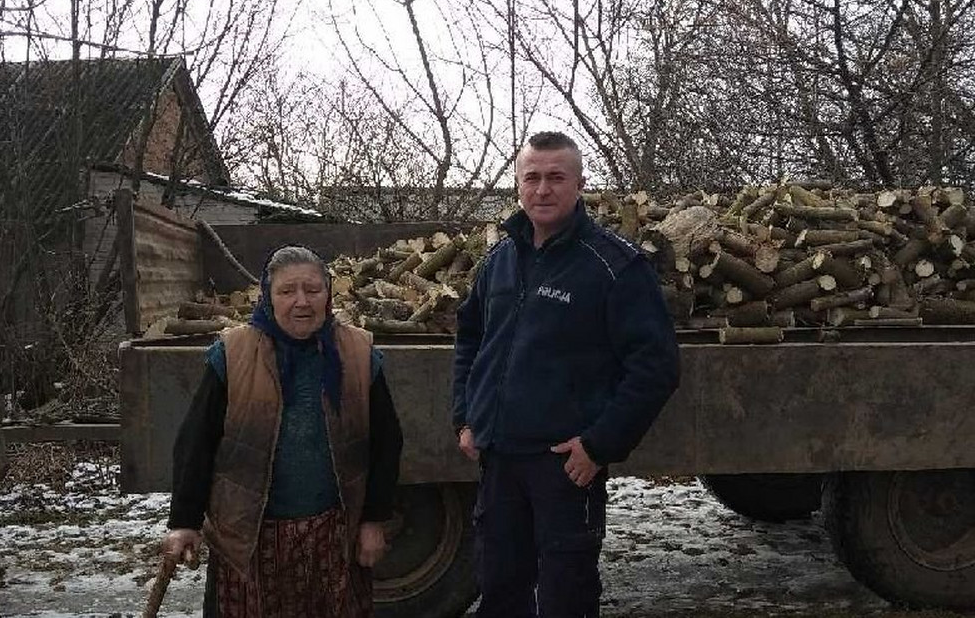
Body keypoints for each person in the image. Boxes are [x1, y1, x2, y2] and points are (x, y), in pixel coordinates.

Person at [452, 131, 681, 617]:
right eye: (531, 178)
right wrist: (466, 417)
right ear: (517, 185)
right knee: (499, 591)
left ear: (579, 183)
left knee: (566, 596)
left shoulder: (614, 266)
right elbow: (471, 340)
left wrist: (600, 445)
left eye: (556, 177)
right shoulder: (499, 260)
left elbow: (656, 366)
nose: (542, 189)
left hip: (563, 464)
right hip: (499, 460)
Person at [160, 245, 403, 618]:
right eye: (287, 291)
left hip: (334, 538)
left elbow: (387, 442)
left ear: (329, 294)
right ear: (268, 297)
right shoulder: (234, 352)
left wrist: (373, 520)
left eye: (313, 289)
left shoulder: (357, 352)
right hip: (250, 540)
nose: (301, 301)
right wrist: (184, 521)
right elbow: (196, 442)